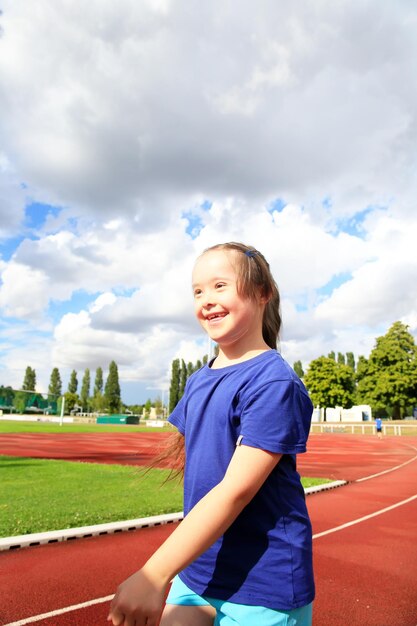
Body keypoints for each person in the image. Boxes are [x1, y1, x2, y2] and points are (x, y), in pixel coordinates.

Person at [108, 242, 315, 626]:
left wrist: (154, 573)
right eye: (198, 291)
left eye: (220, 286)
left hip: (263, 579)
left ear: (262, 293)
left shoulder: (273, 381)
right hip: (199, 569)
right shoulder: (199, 380)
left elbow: (235, 490)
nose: (206, 299)